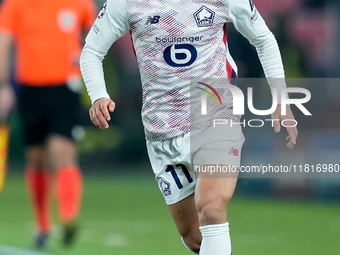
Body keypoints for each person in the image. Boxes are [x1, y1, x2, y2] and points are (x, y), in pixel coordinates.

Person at [80, 0, 298, 254]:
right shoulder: (127, 3)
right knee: (195, 237)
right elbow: (92, 50)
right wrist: (98, 95)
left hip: (214, 116)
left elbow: (263, 38)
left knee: (212, 207)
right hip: (162, 130)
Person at [0, 0, 97, 249]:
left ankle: (67, 219)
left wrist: (87, 49)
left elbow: (99, 31)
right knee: (37, 158)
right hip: (30, 88)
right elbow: (4, 42)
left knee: (61, 149)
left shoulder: (80, 4)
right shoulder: (16, 6)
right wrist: (3, 86)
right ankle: (43, 225)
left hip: (65, 85)